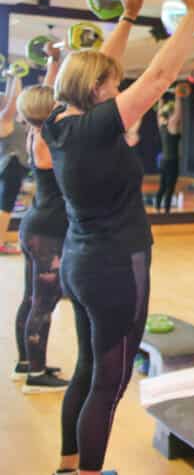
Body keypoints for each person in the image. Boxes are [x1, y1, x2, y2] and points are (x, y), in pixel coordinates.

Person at [43, 0, 194, 475]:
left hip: (81, 264)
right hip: (117, 268)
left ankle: (69, 467)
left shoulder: (60, 123)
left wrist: (128, 18)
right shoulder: (96, 125)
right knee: (109, 384)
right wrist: (190, 12)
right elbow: (157, 78)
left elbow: (94, 72)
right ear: (99, 94)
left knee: (87, 370)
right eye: (112, 84)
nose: (118, 85)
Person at [13, 42, 69, 393]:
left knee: (30, 298)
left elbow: (49, 99)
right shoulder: (48, 141)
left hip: (37, 225)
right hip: (48, 231)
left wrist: (54, 61)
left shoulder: (38, 131)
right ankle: (37, 373)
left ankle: (25, 363)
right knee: (44, 302)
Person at [0, 70, 27, 254]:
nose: (4, 97)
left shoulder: (6, 120)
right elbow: (15, 99)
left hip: (10, 165)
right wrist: (16, 75)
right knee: (5, 207)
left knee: (5, 205)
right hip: (12, 165)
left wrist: (10, 77)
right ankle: (0, 241)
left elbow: (12, 98)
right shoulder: (4, 119)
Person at [153, 90, 184, 213]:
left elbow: (159, 115)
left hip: (164, 161)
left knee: (162, 187)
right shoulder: (171, 126)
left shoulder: (162, 126)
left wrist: (160, 98)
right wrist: (178, 97)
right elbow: (179, 113)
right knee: (170, 188)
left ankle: (158, 209)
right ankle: (166, 212)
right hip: (172, 162)